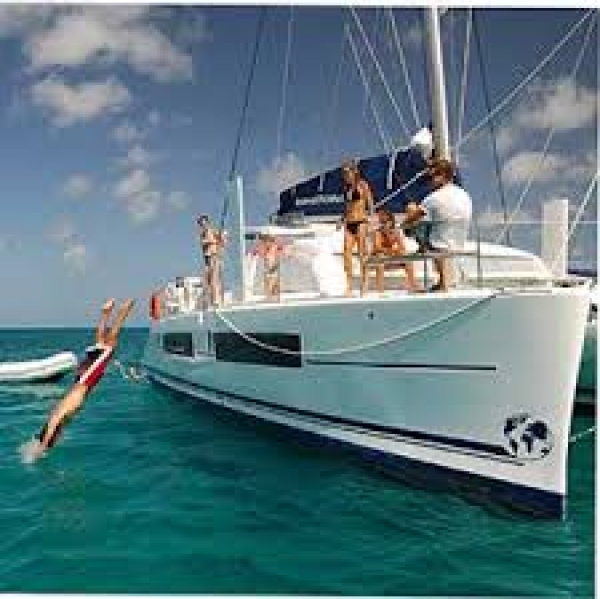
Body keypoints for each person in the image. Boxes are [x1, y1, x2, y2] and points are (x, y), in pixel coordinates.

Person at [31, 298, 135, 457]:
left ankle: (123, 311)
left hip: (85, 381)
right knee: (101, 346)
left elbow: (53, 425)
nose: (59, 438)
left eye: (56, 438)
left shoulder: (57, 418)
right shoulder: (61, 420)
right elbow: (54, 426)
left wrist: (42, 448)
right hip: (83, 381)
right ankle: (106, 313)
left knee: (109, 346)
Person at [402, 158, 472, 291]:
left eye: (433, 176)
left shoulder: (434, 198)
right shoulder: (464, 194)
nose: (430, 180)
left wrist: (402, 227)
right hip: (458, 240)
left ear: (442, 176)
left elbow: (412, 218)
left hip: (439, 242)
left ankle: (442, 283)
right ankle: (444, 281)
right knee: (433, 225)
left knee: (411, 210)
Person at [339, 159, 374, 296]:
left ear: (354, 172)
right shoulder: (346, 188)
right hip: (349, 222)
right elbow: (348, 207)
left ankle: (364, 284)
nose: (345, 175)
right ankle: (348, 285)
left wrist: (371, 219)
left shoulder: (362, 185)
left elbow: (370, 203)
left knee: (361, 253)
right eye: (343, 173)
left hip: (361, 221)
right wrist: (342, 218)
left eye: (347, 172)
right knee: (346, 253)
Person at [372, 207, 419, 293]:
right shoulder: (377, 232)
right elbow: (377, 248)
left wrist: (396, 251)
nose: (383, 224)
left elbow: (402, 247)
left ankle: (413, 286)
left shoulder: (396, 232)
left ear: (391, 222)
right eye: (382, 222)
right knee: (380, 259)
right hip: (378, 258)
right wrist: (392, 251)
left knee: (407, 260)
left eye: (385, 222)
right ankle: (380, 290)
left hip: (389, 257)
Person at [197, 215, 224, 307]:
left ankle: (216, 300)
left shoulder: (213, 231)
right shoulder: (202, 235)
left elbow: (222, 240)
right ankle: (209, 300)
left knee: (214, 278)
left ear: (208, 223)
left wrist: (219, 240)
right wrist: (212, 241)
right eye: (201, 224)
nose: (203, 226)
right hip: (207, 259)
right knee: (206, 280)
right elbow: (203, 244)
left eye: (204, 224)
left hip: (214, 256)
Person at [253, 233, 287, 301]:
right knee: (269, 282)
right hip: (269, 269)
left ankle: (273, 296)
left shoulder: (274, 248)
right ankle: (271, 296)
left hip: (273, 269)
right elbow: (258, 252)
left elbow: (280, 254)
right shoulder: (266, 249)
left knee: (273, 282)